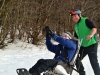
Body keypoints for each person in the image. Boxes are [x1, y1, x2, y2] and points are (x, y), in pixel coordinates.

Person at [70, 9, 100, 75]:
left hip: (91, 45)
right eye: (72, 17)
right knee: (75, 59)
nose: (74, 18)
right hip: (83, 46)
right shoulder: (76, 26)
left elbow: (94, 28)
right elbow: (76, 37)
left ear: (79, 15)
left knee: (93, 62)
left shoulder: (86, 20)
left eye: (75, 16)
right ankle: (82, 73)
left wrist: (91, 35)